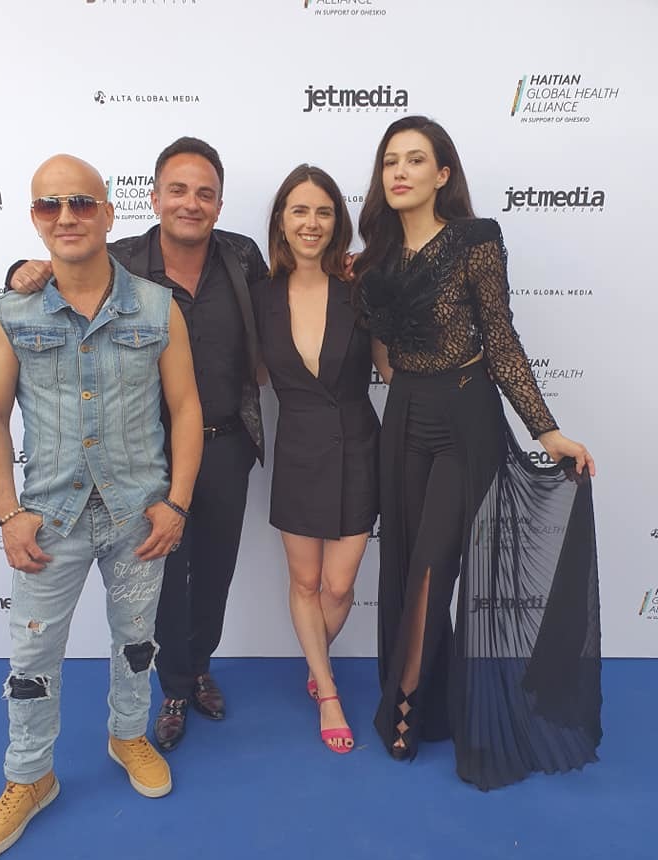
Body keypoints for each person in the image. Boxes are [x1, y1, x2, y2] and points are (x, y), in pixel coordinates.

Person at [0, 154, 204, 860]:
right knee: (32, 653)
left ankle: (128, 736)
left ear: (107, 212)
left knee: (136, 641)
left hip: (139, 514)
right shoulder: (11, 312)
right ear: (34, 218)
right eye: (50, 205)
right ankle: (30, 777)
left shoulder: (157, 308)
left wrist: (177, 504)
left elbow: (187, 409)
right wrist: (7, 513)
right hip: (50, 519)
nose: (65, 216)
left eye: (80, 202)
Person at [354, 117, 602, 789]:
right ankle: (428, 701)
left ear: (442, 175)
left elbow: (501, 338)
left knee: (431, 568)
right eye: (390, 161)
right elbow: (384, 352)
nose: (400, 171)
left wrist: (546, 430)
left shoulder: (475, 241)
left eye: (415, 160)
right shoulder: (376, 263)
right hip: (405, 416)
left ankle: (404, 707)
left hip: (466, 417)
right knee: (403, 566)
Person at [7, 137, 267, 751]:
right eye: (177, 190)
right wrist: (18, 270)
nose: (190, 203)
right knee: (161, 579)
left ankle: (198, 667)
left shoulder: (242, 257)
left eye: (204, 193)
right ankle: (171, 686)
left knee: (215, 573)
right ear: (152, 198)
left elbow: (287, 300)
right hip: (141, 454)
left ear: (219, 203)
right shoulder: (121, 257)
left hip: (225, 444)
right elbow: (57, 274)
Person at [252, 165, 379, 753]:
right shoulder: (259, 296)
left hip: (359, 445)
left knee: (338, 583)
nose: (311, 222)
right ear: (282, 220)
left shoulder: (361, 288)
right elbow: (250, 373)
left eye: (323, 212)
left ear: (338, 222)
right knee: (304, 581)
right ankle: (327, 690)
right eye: (299, 210)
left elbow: (390, 368)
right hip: (298, 450)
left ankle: (314, 658)